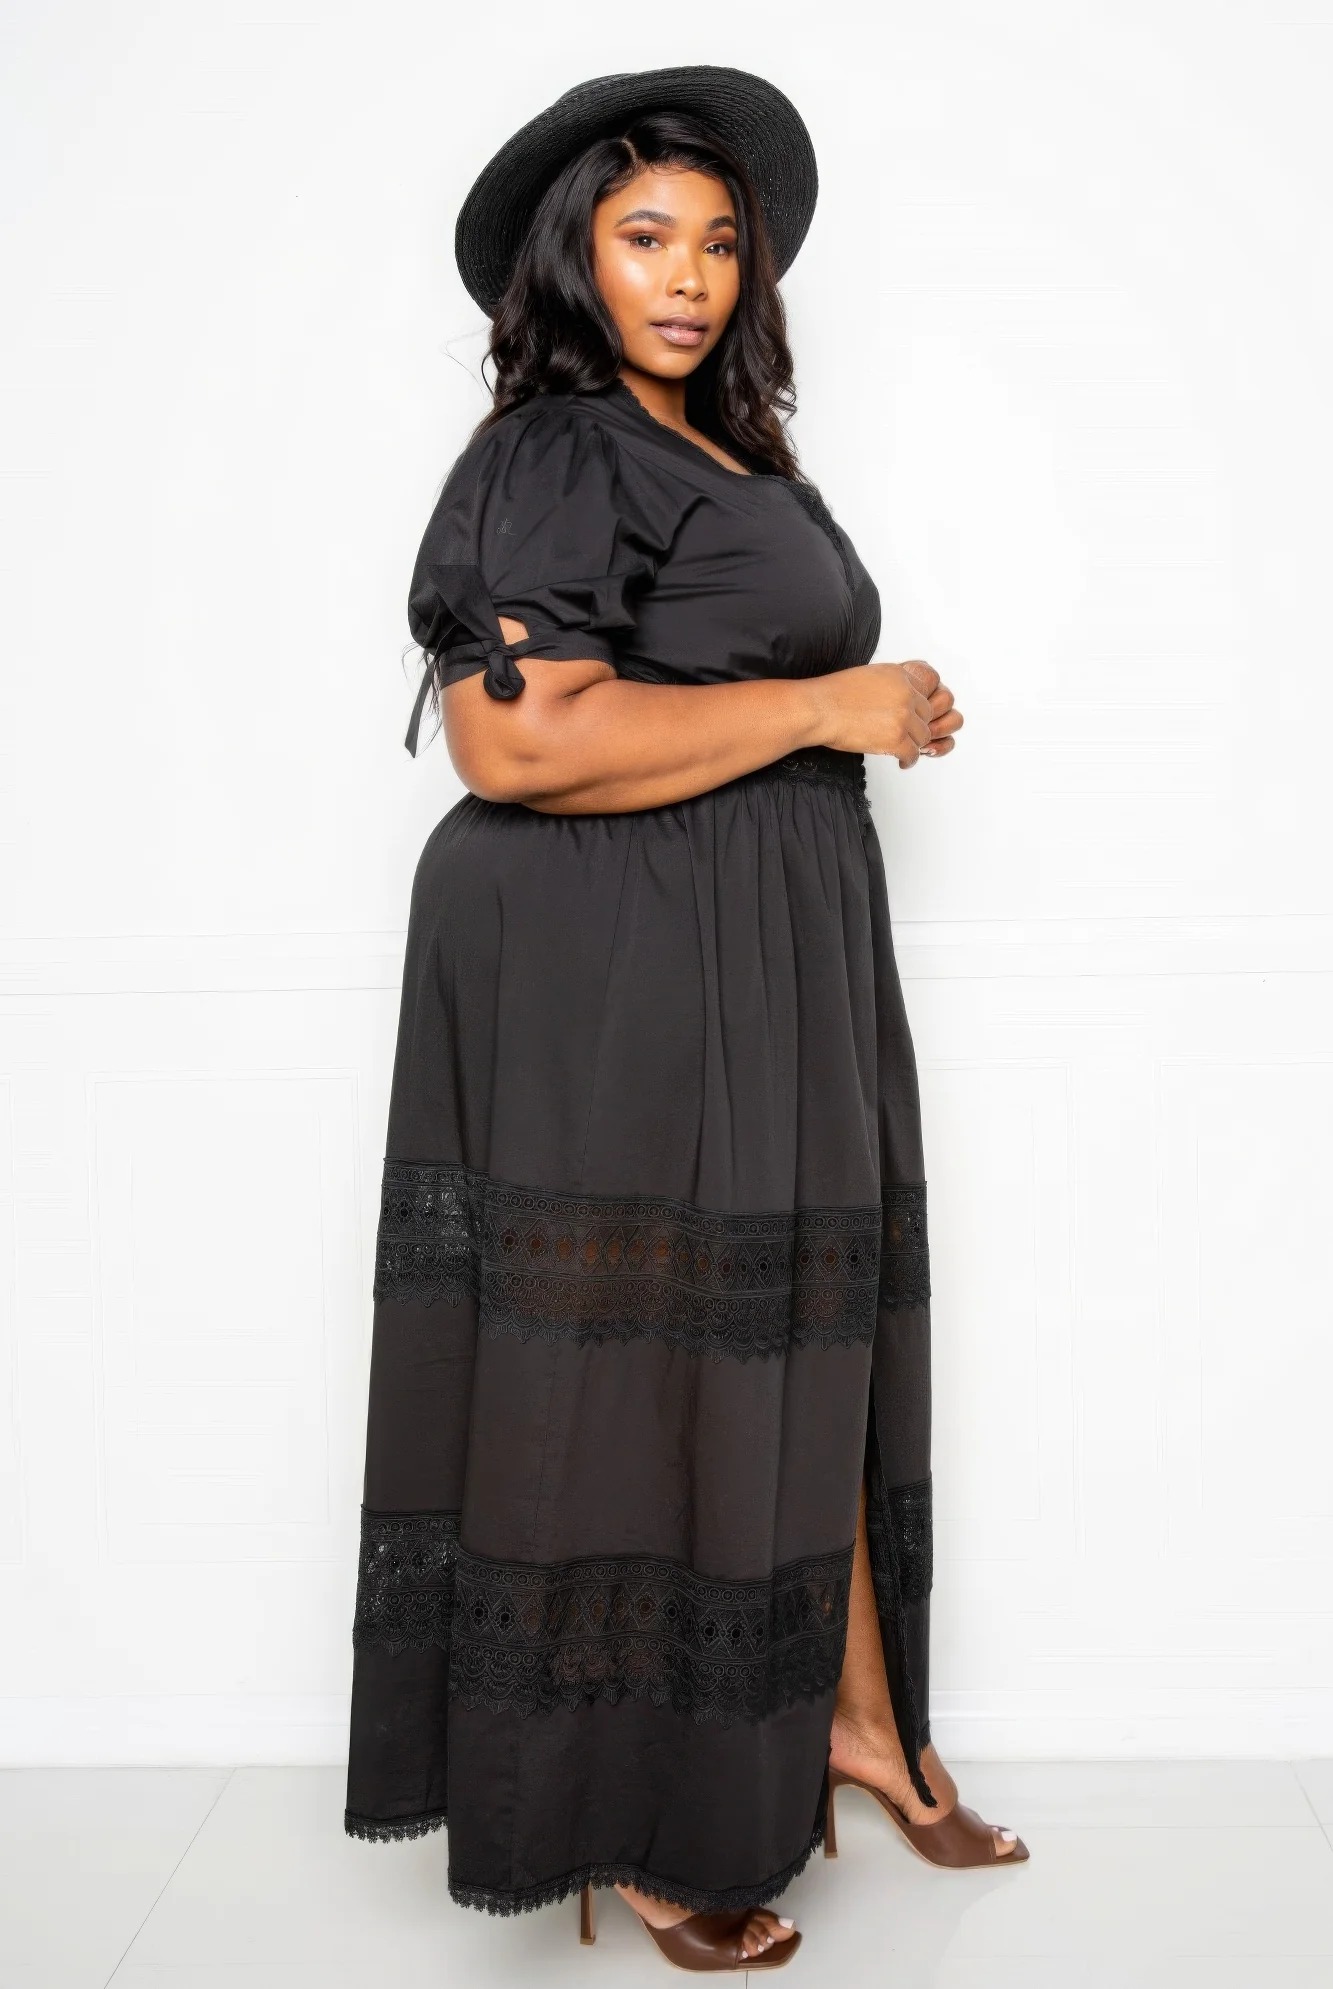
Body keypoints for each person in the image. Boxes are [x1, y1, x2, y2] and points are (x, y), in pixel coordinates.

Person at [344, 64, 1027, 1973]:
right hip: (618, 957)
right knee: (641, 1373)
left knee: (803, 1328)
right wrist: (822, 706)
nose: (691, 275)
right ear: (574, 259)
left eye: (720, 243)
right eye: (646, 236)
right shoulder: (560, 447)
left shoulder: (724, 449)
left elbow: (730, 677)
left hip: (769, 937)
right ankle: (626, 1813)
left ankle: (854, 1719)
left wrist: (870, 710)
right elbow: (511, 738)